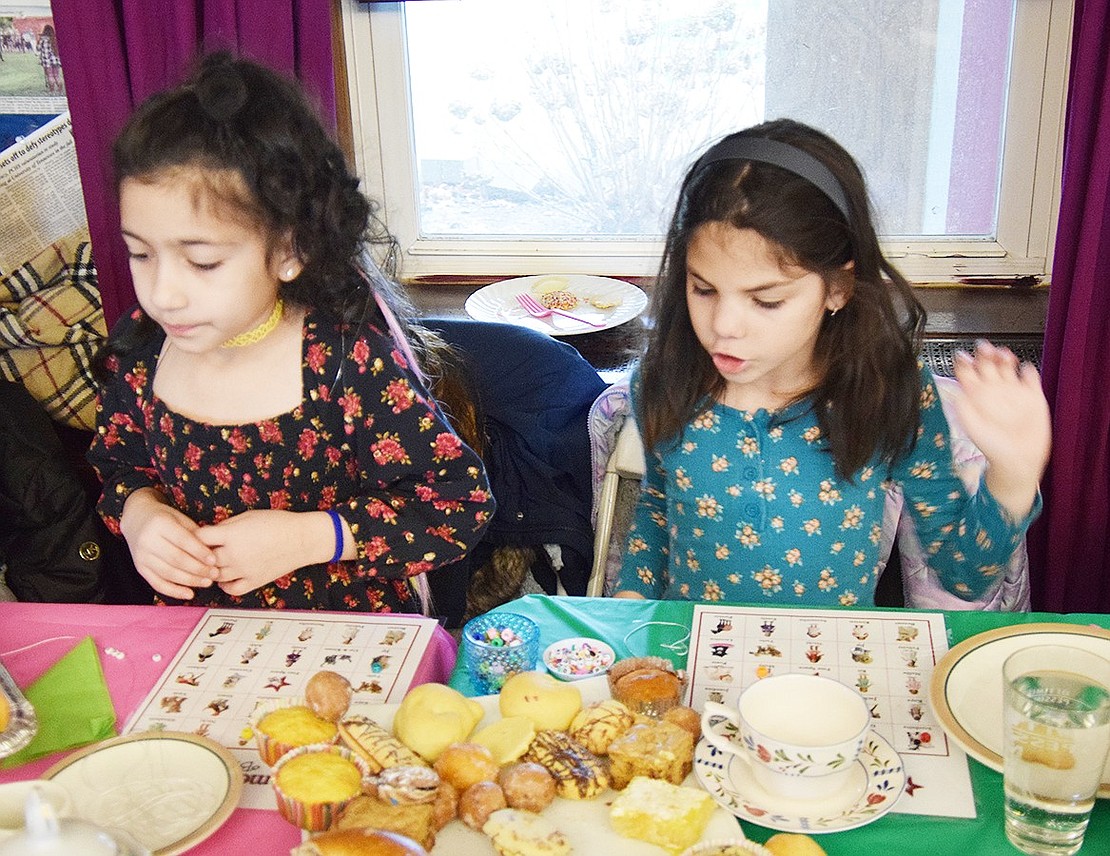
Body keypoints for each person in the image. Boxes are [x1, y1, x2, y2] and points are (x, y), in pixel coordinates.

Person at [88, 52, 495, 613]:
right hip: (199, 643)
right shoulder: (143, 349)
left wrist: (306, 537)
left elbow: (457, 503)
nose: (163, 294)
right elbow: (118, 462)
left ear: (289, 250)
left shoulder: (347, 362)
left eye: (203, 262)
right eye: (140, 253)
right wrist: (139, 514)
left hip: (347, 646)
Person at [613, 118, 1050, 606]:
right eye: (703, 289)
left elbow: (962, 576)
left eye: (767, 300)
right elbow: (657, 509)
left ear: (837, 289)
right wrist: (631, 600)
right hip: (696, 661)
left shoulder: (887, 388)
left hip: (829, 669)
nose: (724, 326)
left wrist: (1012, 475)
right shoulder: (665, 379)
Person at [36, 25, 62, 94]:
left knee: (50, 75)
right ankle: (60, 91)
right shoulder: (55, 39)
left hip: (47, 60)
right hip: (56, 60)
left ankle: (52, 91)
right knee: (57, 76)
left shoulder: (42, 39)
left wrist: (38, 42)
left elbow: (38, 48)